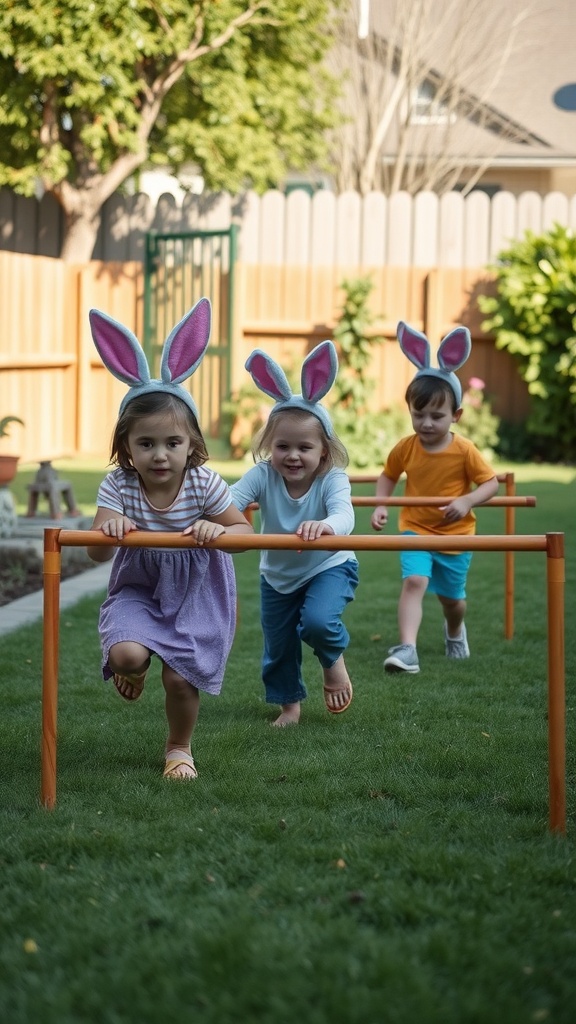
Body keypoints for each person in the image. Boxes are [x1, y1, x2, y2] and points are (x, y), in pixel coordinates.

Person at [86, 299, 253, 780]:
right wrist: (109, 532)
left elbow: (245, 534)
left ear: (192, 444)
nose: (160, 455)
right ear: (127, 447)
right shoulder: (119, 485)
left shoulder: (203, 483)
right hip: (140, 582)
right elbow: (96, 549)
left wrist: (219, 530)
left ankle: (179, 748)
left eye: (172, 443)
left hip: (197, 587)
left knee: (180, 679)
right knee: (126, 654)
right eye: (146, 444)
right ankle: (133, 669)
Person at [230, 342, 358, 727]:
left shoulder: (332, 478)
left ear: (324, 451)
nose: (292, 456)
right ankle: (289, 707)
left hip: (329, 565)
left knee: (318, 622)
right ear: (270, 446)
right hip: (277, 576)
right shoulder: (264, 474)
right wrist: (224, 520)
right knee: (279, 645)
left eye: (305, 447)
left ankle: (332, 659)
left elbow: (345, 515)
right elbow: (230, 500)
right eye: (282, 446)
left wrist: (327, 526)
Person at [371, 320, 498, 674]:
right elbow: (388, 476)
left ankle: (455, 630)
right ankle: (407, 649)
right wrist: (382, 503)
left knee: (452, 601)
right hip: (415, 529)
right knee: (414, 582)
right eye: (418, 414)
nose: (426, 423)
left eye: (437, 416)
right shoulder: (406, 447)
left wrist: (467, 501)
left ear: (456, 415)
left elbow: (491, 483)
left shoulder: (464, 450)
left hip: (456, 535)